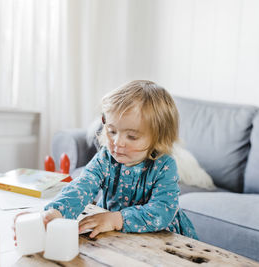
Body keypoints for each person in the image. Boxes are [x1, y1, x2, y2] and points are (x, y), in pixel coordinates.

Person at [14, 80, 197, 242]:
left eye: (132, 136)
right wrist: (55, 212)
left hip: (160, 237)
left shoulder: (164, 166)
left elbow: (163, 210)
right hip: (112, 235)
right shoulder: (105, 158)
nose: (117, 143)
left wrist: (117, 219)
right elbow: (81, 187)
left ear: (159, 138)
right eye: (112, 131)